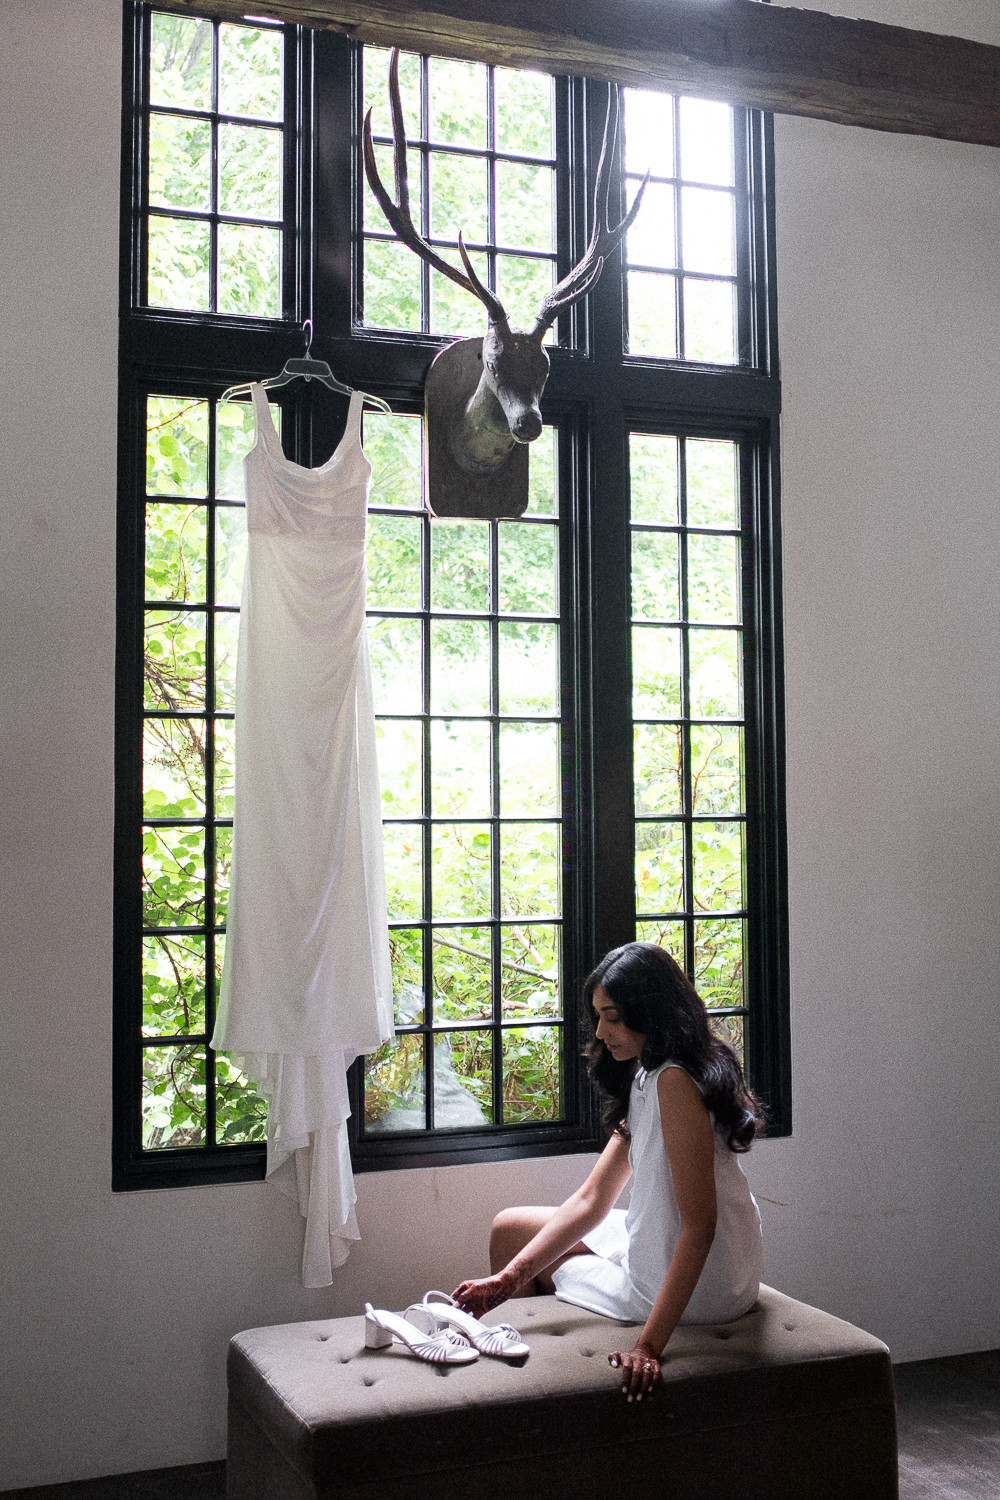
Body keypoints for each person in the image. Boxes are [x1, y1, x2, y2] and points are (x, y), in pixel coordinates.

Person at [452, 942, 764, 1401]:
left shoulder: (674, 1081)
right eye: (598, 1017)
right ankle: (514, 1348)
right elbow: (593, 1199)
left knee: (525, 1247)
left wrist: (647, 1347)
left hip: (703, 1285)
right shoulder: (650, 1072)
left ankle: (526, 1393)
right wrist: (506, 1280)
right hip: (673, 1239)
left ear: (650, 1012)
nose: (600, 1032)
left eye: (612, 1017)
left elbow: (700, 1227)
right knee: (510, 1228)